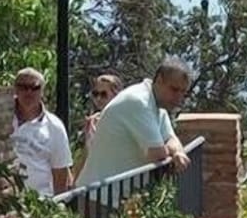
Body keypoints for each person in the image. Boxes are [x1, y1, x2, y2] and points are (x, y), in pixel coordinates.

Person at [76, 57, 192, 194]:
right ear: (159, 80)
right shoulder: (138, 101)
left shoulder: (158, 106)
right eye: (174, 89)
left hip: (118, 196)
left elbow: (171, 138)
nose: (179, 98)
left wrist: (178, 152)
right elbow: (157, 154)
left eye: (183, 92)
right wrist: (171, 154)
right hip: (99, 196)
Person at [11, 68, 73, 197]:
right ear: (15, 89)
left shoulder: (54, 126)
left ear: (42, 91)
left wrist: (58, 204)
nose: (29, 92)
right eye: (23, 87)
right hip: (4, 199)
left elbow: (60, 172)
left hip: (39, 201)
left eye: (35, 88)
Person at [75, 74, 123, 178]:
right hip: (95, 178)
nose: (98, 98)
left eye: (103, 94)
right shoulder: (92, 122)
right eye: (95, 94)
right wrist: (75, 180)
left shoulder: (124, 121)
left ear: (116, 95)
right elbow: (86, 154)